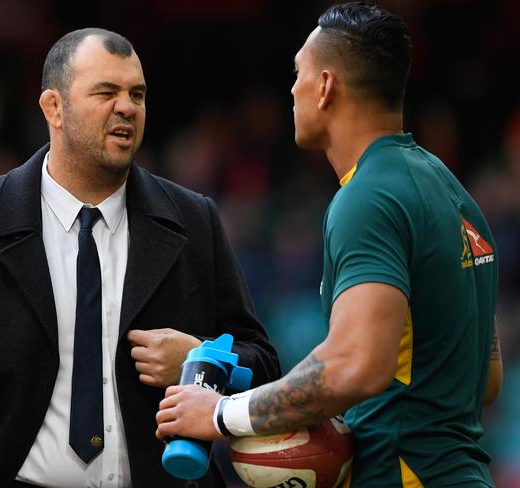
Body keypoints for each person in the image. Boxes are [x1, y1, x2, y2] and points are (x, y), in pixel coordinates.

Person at [0, 28, 281, 488]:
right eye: (106, 92)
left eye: (137, 94)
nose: (127, 107)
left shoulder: (194, 220)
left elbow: (263, 363)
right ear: (54, 108)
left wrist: (200, 359)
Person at [155, 2, 503, 486]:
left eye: (297, 73)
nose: (291, 88)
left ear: (324, 86)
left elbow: (355, 366)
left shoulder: (368, 198)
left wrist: (222, 414)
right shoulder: (453, 192)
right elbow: (485, 379)